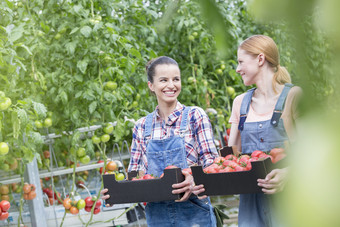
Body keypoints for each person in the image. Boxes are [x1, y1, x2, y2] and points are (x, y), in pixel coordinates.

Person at [102, 56, 218, 227]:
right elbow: (136, 174)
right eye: (163, 80)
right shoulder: (141, 127)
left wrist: (194, 180)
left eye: (176, 79)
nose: (171, 85)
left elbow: (212, 161)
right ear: (151, 85)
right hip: (157, 215)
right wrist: (117, 192)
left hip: (194, 211)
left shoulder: (195, 116)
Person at [222, 35, 301, 226]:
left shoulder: (293, 96)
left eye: (241, 62)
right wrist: (205, 176)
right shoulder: (240, 103)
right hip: (250, 203)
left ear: (260, 59)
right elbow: (231, 159)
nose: (238, 69)